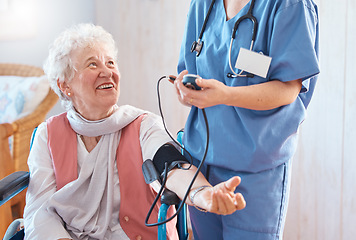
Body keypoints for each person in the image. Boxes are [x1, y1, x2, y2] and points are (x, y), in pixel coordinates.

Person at [23, 23, 246, 240]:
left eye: (110, 63)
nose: (107, 72)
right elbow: (40, 210)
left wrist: (202, 194)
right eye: (93, 65)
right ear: (65, 85)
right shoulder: (48, 135)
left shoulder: (142, 124)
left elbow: (171, 165)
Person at [173, 0, 319, 239]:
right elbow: (189, 70)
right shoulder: (203, 4)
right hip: (201, 162)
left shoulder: (289, 5)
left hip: (255, 171)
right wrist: (184, 90)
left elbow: (289, 88)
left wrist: (226, 96)